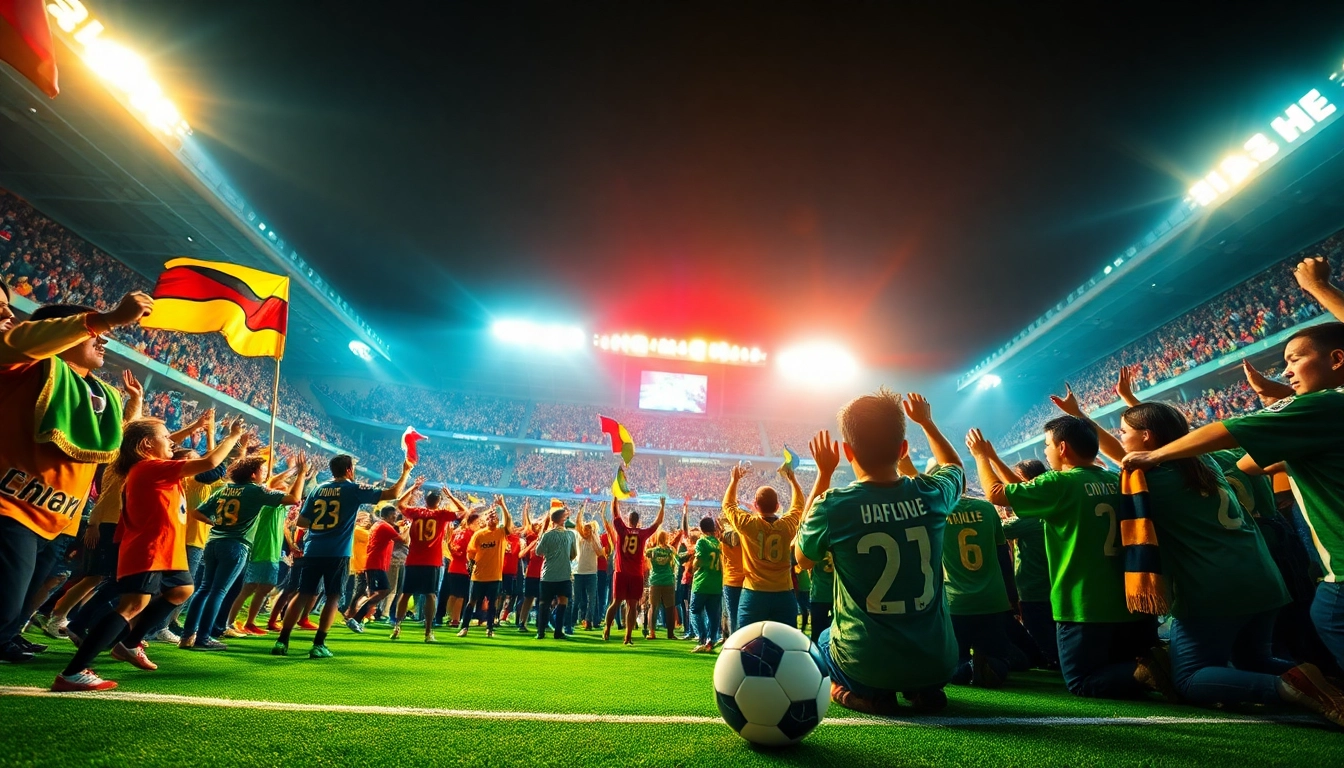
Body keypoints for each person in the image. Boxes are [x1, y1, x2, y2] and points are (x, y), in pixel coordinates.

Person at [1123, 322, 1344, 692]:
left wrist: (1156, 452)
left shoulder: (1324, 404)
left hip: (1215, 585)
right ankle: (1320, 685)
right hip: (1262, 575)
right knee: (1255, 659)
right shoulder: (1214, 463)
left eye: (1294, 359)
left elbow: (1227, 435)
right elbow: (1251, 461)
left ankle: (1298, 690)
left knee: (1190, 679)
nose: (1286, 370)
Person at [0, 290, 153, 663]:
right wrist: (106, 317)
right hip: (13, 506)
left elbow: (108, 451)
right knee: (5, 599)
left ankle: (10, 637)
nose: (103, 338)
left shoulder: (103, 392)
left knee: (27, 597)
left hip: (60, 518)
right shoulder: (28, 366)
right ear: (63, 332)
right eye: (93, 332)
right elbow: (19, 340)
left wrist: (133, 411)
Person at [973, 414, 1164, 701]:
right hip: (1128, 601)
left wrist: (979, 456)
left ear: (1062, 448)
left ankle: (1152, 672)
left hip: (1083, 604)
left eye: (1047, 445)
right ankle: (1150, 668)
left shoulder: (1060, 484)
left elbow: (996, 493)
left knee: (1080, 681)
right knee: (1117, 664)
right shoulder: (1116, 480)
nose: (1046, 452)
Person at [796, 390, 964, 716]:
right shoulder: (931, 493)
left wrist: (824, 474)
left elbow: (803, 558)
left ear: (847, 452)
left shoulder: (834, 505)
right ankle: (923, 689)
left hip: (867, 667)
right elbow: (954, 466)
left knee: (825, 637)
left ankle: (856, 693)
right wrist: (926, 422)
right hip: (939, 664)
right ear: (903, 449)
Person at [52, 416, 247, 691]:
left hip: (165, 548)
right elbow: (210, 464)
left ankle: (129, 644)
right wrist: (232, 437)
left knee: (182, 590)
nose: (171, 441)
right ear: (146, 444)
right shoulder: (149, 467)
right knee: (131, 606)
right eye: (165, 437)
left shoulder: (152, 469)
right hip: (150, 548)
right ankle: (72, 672)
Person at [272, 455, 411, 659]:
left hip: (313, 550)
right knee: (333, 597)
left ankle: (282, 641)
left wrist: (323, 526)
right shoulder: (352, 489)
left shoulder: (318, 489)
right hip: (337, 552)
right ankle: (318, 644)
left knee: (302, 594)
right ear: (348, 470)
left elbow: (301, 521)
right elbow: (394, 493)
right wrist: (406, 470)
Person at [180, 449, 308, 649]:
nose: (264, 473)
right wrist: (301, 474)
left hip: (213, 543)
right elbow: (293, 499)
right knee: (218, 591)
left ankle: (187, 636)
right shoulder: (255, 490)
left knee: (204, 589)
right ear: (252, 473)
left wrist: (214, 524)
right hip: (236, 545)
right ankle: (203, 638)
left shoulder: (225, 489)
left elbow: (197, 512)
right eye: (262, 470)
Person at [920, 448, 1012, 688]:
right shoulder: (987, 509)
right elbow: (1003, 554)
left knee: (953, 660)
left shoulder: (935, 515)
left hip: (955, 603)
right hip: (993, 600)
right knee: (1000, 657)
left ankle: (967, 668)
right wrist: (1011, 597)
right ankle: (990, 665)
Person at [722, 463, 804, 628]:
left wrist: (734, 480)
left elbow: (728, 505)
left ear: (756, 505)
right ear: (777, 506)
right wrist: (793, 481)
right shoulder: (786, 526)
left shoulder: (749, 524)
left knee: (747, 643)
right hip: (783, 593)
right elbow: (798, 506)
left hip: (754, 592)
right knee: (785, 644)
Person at [998, 459, 1059, 669]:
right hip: (1054, 586)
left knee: (1043, 641)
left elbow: (998, 530)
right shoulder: (1051, 507)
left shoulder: (1029, 516)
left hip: (1033, 589)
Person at [394, 482, 461, 642]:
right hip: (432, 561)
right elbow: (463, 512)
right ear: (438, 501)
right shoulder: (441, 514)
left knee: (405, 594)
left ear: (425, 500)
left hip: (413, 560)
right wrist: (451, 496)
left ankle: (397, 627)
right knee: (430, 595)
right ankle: (428, 632)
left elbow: (399, 504)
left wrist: (413, 488)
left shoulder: (416, 512)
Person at [602, 496, 665, 645]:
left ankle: (607, 630)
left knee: (616, 602)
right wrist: (662, 507)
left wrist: (615, 501)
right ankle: (628, 637)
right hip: (636, 574)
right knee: (632, 605)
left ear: (628, 520)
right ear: (638, 521)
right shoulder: (642, 534)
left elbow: (615, 514)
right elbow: (657, 523)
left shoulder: (622, 530)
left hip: (621, 572)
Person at [347, 504, 410, 632]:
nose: (395, 518)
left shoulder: (379, 525)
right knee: (383, 591)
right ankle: (354, 618)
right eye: (393, 516)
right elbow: (404, 540)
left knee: (372, 593)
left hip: (374, 564)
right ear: (386, 516)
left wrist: (401, 526)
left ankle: (357, 619)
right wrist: (409, 527)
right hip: (375, 564)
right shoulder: (384, 526)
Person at [459, 496, 512, 638]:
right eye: (490, 516)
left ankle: (489, 629)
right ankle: (464, 627)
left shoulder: (501, 533)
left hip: (495, 576)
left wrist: (503, 505)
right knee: (472, 602)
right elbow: (470, 553)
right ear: (486, 520)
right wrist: (471, 565)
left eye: (494, 517)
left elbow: (508, 523)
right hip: (478, 576)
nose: (492, 518)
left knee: (492, 604)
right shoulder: (478, 535)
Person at [530, 503, 578, 640]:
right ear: (563, 519)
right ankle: (558, 631)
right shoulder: (570, 535)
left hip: (548, 575)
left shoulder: (547, 535)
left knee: (544, 603)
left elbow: (538, 552)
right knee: (563, 601)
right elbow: (573, 555)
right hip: (564, 574)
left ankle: (540, 632)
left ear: (552, 520)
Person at [689, 516, 723, 653]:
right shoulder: (719, 543)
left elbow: (698, 562)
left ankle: (702, 638)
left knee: (694, 610)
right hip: (716, 584)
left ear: (702, 529)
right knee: (713, 615)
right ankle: (711, 641)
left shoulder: (702, 542)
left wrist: (693, 566)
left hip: (702, 583)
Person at [573, 505, 604, 631]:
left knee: (592, 599)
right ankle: (573, 620)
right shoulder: (580, 538)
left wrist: (593, 537)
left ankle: (589, 620)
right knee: (577, 599)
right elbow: (577, 524)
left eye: (588, 530)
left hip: (591, 573)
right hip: (579, 572)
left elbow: (600, 554)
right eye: (585, 530)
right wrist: (581, 510)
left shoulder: (595, 541)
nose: (586, 532)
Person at [646, 530, 679, 639]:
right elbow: (676, 561)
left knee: (653, 607)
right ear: (666, 538)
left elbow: (645, 555)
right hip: (668, 580)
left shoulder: (652, 551)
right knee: (670, 607)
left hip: (655, 581)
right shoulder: (671, 551)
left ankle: (652, 632)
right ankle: (670, 634)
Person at [719, 522, 745, 636]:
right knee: (743, 613)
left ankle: (733, 639)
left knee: (732, 614)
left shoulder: (723, 544)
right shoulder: (744, 544)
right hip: (745, 580)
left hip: (729, 581)